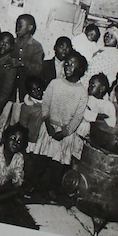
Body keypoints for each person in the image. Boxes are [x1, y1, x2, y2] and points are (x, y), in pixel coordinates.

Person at [34, 51, 89, 199]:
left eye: (72, 64)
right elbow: (46, 103)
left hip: (65, 133)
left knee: (57, 164)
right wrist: (47, 123)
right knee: (41, 160)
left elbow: (78, 117)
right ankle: (34, 186)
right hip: (48, 128)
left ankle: (50, 189)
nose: (68, 66)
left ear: (80, 69)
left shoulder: (82, 92)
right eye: (67, 63)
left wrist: (65, 132)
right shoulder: (55, 83)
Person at [13, 13, 44, 99]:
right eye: (17, 24)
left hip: (25, 88)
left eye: (20, 25)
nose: (17, 27)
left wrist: (22, 63)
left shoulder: (36, 46)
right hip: (10, 86)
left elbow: (37, 69)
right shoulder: (12, 42)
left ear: (30, 27)